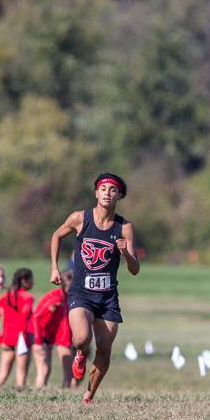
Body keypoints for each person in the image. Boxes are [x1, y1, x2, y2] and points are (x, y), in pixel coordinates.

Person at [50, 171, 140, 405]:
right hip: (81, 292)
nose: (107, 193)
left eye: (113, 190)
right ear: (96, 193)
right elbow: (56, 236)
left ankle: (88, 395)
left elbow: (134, 269)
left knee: (104, 351)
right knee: (81, 338)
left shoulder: (124, 227)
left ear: (119, 195)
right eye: (103, 189)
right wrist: (54, 268)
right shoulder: (80, 218)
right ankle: (80, 354)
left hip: (108, 297)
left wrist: (125, 253)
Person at [0, 268, 34, 389]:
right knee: (21, 376)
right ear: (24, 280)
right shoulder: (27, 297)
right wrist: (24, 336)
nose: (33, 282)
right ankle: (20, 398)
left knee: (2, 374)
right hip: (21, 339)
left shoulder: (4, 297)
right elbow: (24, 318)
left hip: (7, 337)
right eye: (31, 279)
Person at [32, 270, 74, 389]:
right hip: (39, 334)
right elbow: (36, 316)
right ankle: (38, 393)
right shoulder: (56, 297)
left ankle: (43, 393)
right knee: (43, 369)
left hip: (49, 335)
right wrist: (38, 342)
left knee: (47, 368)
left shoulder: (65, 297)